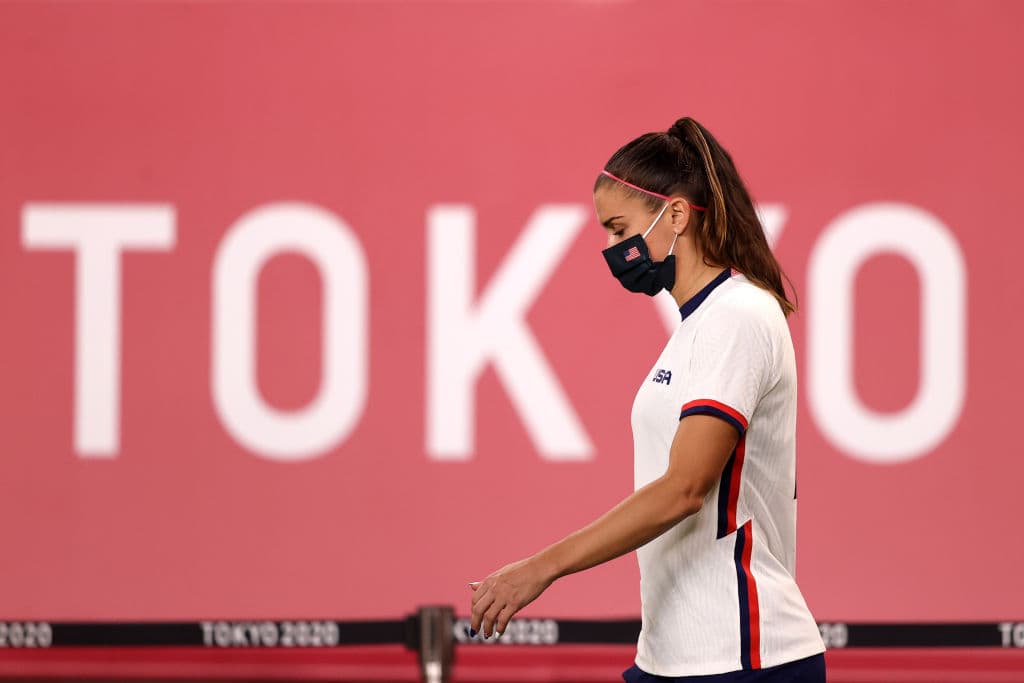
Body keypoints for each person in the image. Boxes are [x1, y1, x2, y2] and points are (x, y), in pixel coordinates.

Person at [468, 117, 826, 681]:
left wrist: (542, 568)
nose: (611, 248)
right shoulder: (698, 326)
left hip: (742, 658)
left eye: (618, 228)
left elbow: (685, 488)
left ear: (677, 215)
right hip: (669, 658)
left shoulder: (736, 317)